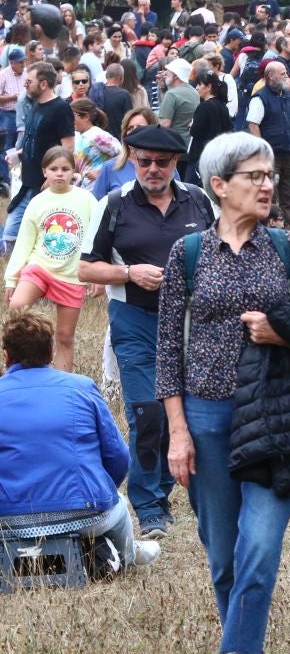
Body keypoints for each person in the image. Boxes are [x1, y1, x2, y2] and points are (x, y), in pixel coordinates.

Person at [156, 132, 290, 654]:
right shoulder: (187, 254)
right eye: (253, 176)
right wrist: (177, 432)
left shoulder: (288, 249)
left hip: (273, 413)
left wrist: (279, 333)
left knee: (259, 545)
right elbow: (167, 351)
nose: (267, 183)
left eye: (269, 175)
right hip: (205, 417)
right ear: (219, 186)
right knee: (224, 556)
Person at [76, 123, 215, 539]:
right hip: (134, 319)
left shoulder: (200, 201)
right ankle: (149, 506)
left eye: (162, 162)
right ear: (133, 161)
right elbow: (85, 267)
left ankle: (179, 488)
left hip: (192, 322)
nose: (152, 169)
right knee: (146, 411)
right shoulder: (114, 203)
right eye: (144, 161)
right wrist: (128, 272)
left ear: (176, 163)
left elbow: (227, 249)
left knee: (195, 412)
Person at [0, 312, 159, 577]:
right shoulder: (81, 387)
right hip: (86, 514)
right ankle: (127, 555)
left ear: (6, 355)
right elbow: (119, 457)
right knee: (118, 505)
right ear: (51, 351)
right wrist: (98, 491)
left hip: (9, 520)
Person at [5, 147, 99, 373]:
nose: (59, 174)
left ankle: (61, 384)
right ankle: (17, 364)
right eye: (54, 169)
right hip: (40, 268)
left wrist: (97, 272)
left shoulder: (86, 200)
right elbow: (25, 242)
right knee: (17, 308)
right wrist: (11, 278)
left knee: (65, 337)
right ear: (44, 172)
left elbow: (98, 237)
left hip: (71, 276)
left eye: (65, 169)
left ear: (74, 172)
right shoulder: (38, 202)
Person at [4, 62, 74, 258]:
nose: (25, 85)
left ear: (43, 84)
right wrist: (18, 155)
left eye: (28, 81)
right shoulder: (35, 105)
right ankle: (17, 269)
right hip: (28, 181)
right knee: (10, 234)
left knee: (41, 233)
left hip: (44, 184)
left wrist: (53, 177)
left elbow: (68, 147)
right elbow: (33, 138)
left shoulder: (61, 108)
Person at [243, 60, 290, 227]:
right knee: (270, 191)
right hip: (271, 153)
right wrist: (263, 151)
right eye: (283, 73)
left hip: (288, 151)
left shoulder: (289, 95)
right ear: (270, 76)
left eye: (286, 73)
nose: (286, 76)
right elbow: (253, 125)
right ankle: (269, 225)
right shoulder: (260, 97)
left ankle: (288, 225)